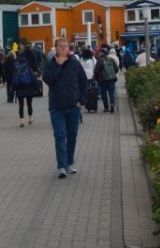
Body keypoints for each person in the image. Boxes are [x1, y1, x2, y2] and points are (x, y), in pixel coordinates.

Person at [42, 37, 87, 179]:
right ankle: (61, 166)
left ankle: (70, 163)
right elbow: (47, 80)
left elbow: (83, 81)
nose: (63, 48)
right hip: (57, 107)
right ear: (56, 48)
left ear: (68, 48)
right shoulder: (51, 64)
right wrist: (57, 66)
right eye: (60, 46)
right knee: (60, 136)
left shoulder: (74, 63)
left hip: (73, 107)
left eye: (65, 46)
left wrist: (81, 100)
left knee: (72, 136)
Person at [14, 45, 41, 127]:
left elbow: (14, 80)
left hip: (20, 89)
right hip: (29, 88)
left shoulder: (17, 69)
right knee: (29, 104)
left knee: (21, 105)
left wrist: (14, 89)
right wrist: (37, 88)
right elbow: (34, 80)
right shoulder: (29, 69)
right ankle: (30, 118)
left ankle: (22, 120)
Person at [94, 47, 119, 113]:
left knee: (104, 94)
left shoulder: (99, 60)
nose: (98, 53)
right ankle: (112, 104)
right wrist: (112, 74)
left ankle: (106, 108)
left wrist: (96, 78)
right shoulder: (111, 59)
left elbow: (96, 70)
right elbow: (116, 68)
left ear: (102, 53)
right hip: (111, 79)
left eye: (99, 52)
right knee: (111, 93)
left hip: (102, 80)